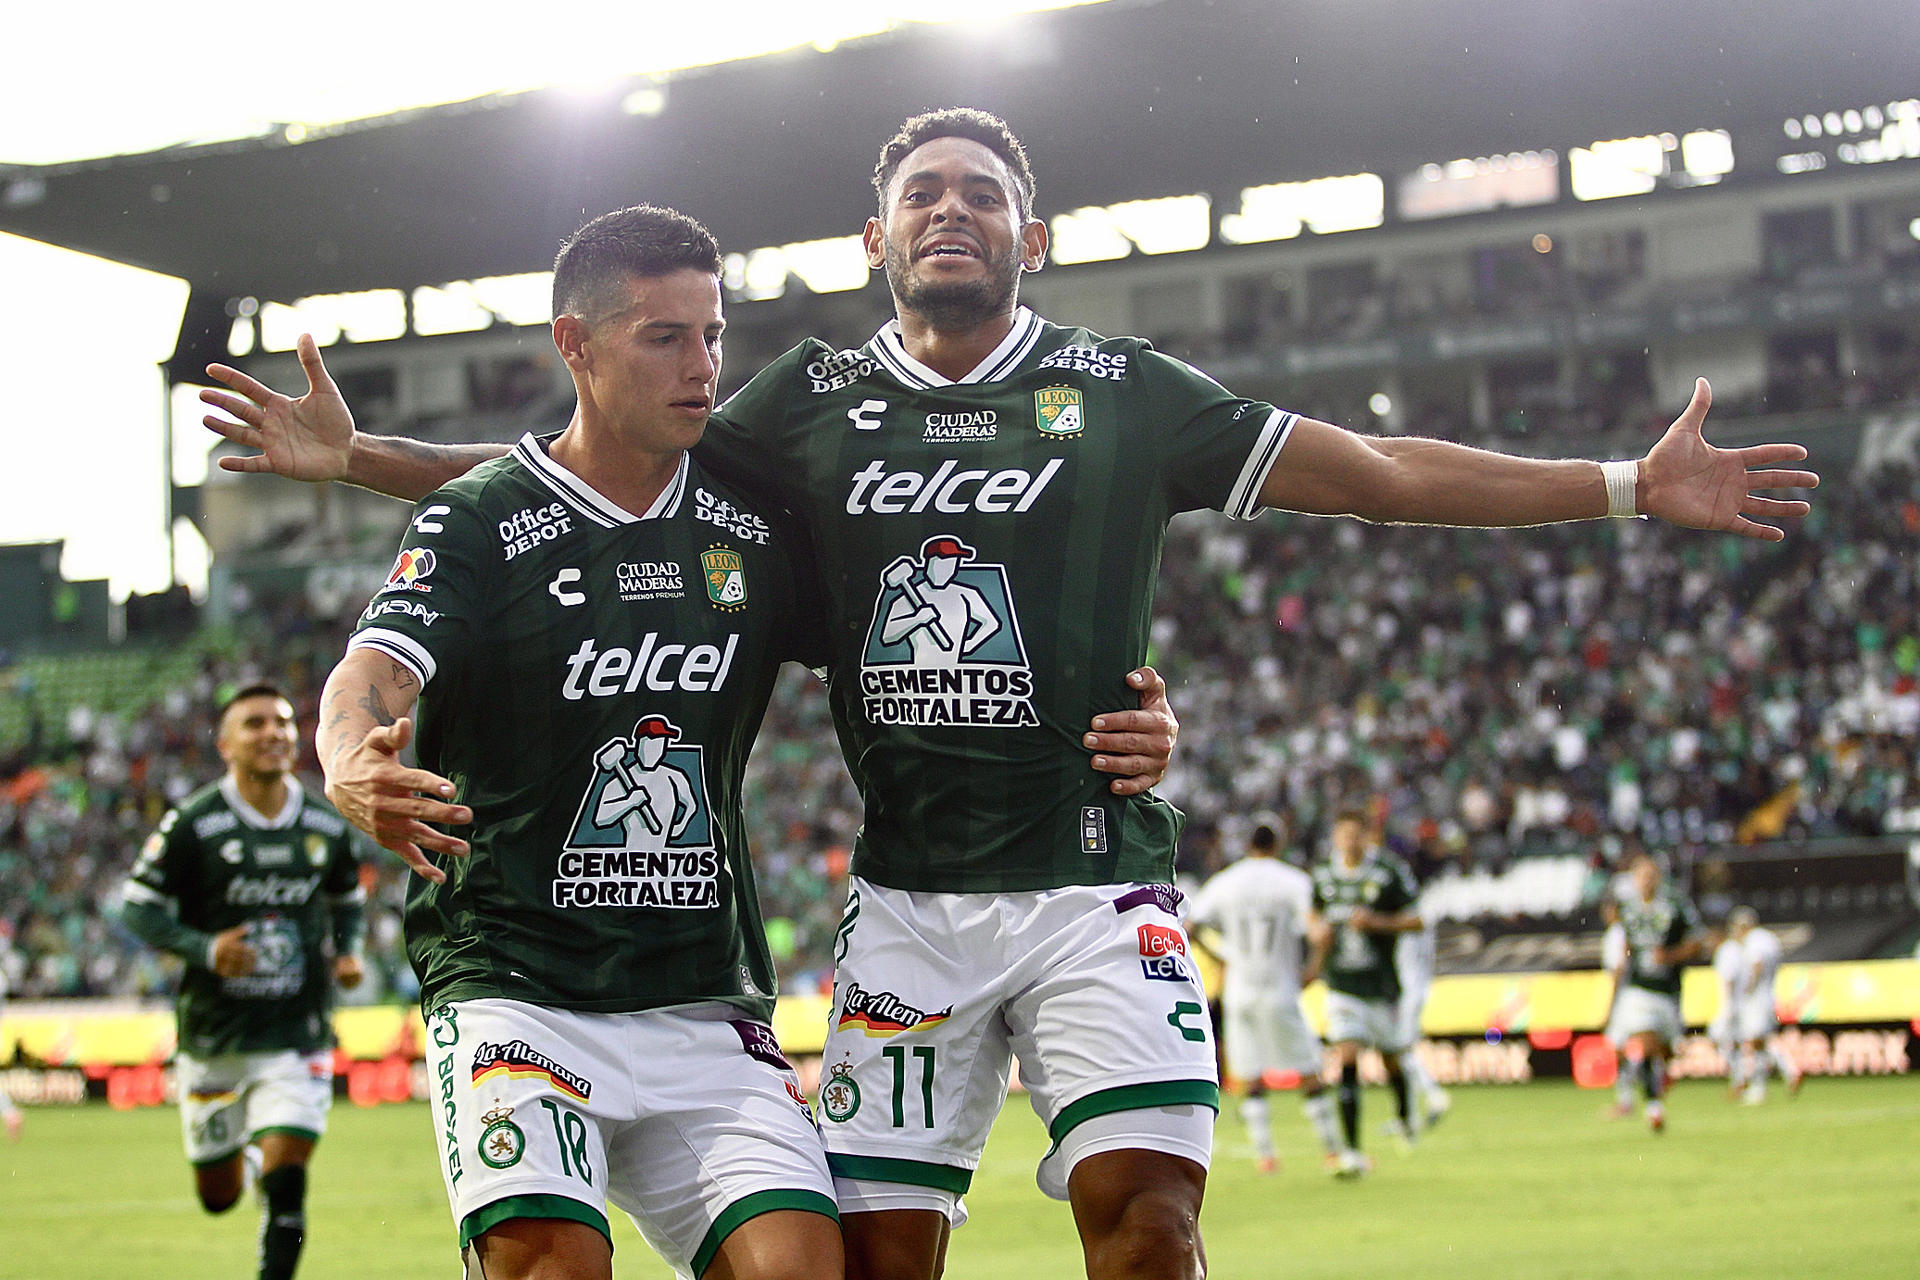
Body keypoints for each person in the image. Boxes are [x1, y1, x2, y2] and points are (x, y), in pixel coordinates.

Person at [202, 106, 1815, 1280]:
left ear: (1032, 238)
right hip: (908, 910)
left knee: (1150, 1222)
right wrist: (366, 465)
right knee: (877, 1259)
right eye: (924, 192)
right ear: (877, 241)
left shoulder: (1121, 392)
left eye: (985, 192)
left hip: (1098, 887)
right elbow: (586, 475)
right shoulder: (801, 401)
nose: (954, 210)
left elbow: (1376, 466)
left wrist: (1615, 482)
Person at [118, 683, 368, 1280]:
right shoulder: (195, 823)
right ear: (226, 744)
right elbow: (136, 907)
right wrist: (203, 948)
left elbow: (347, 896)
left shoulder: (321, 820)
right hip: (215, 1038)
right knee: (218, 1197)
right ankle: (249, 1156)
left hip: (297, 1031)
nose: (273, 733)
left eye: (282, 722)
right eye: (254, 724)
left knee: (288, 1185)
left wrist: (350, 950)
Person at [1186, 817, 1343, 1175]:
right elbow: (1318, 932)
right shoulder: (1292, 881)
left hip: (1240, 989)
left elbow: (1190, 926)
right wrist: (1314, 968)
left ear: (1248, 845)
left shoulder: (1226, 882)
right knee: (1308, 1069)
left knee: (1251, 1074)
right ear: (1279, 843)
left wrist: (1220, 957)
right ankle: (1332, 1150)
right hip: (1280, 987)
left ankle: (1266, 1155)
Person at [1305, 810, 1425, 1177]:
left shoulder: (1388, 872)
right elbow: (1313, 915)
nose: (1349, 842)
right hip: (1341, 983)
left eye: (1356, 836)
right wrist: (1316, 933)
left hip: (1381, 985)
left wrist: (1377, 922)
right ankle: (1352, 1150)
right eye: (1343, 835)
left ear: (1368, 836)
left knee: (1390, 1057)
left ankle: (1406, 1114)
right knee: (1347, 1055)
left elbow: (1417, 919)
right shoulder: (1323, 874)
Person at [1610, 854, 1705, 1133]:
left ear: (1659, 878)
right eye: (1641, 875)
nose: (1646, 880)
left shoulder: (1676, 906)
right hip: (1638, 990)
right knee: (1646, 1044)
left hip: (1669, 992)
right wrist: (1623, 968)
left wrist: (1671, 955)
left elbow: (1698, 942)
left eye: (1651, 875)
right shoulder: (1627, 908)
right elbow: (1626, 946)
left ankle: (1650, 1085)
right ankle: (1653, 1108)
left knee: (1665, 1052)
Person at [1728, 907, 1801, 1103]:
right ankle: (1790, 1070)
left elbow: (1756, 964)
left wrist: (1748, 989)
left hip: (1757, 999)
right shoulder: (1768, 938)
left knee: (1753, 1042)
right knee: (1761, 1042)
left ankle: (1759, 1088)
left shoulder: (1755, 940)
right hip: (1769, 995)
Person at [1598, 896, 1642, 1118]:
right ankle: (1627, 1097)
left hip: (1624, 998)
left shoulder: (1616, 934)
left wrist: (1610, 1002)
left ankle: (1626, 1101)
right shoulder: (1626, 933)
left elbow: (1618, 969)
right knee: (1624, 1047)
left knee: (1618, 1048)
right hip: (1633, 995)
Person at [1708, 920, 1746, 1100]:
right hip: (1739, 1004)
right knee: (1737, 1044)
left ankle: (1740, 1079)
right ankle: (1739, 1079)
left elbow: (1728, 979)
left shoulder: (1726, 951)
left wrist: (1728, 1007)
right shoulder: (1735, 949)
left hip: (1730, 1006)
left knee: (1716, 1037)